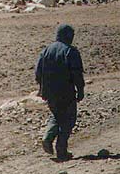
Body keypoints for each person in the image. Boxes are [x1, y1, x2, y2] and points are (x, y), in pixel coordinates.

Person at [35, 24, 85, 161]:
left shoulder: (46, 50)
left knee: (56, 115)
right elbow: (77, 74)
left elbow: (38, 72)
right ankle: (61, 150)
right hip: (66, 91)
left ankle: (48, 137)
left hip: (50, 92)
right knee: (68, 120)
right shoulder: (71, 51)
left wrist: (42, 88)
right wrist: (80, 90)